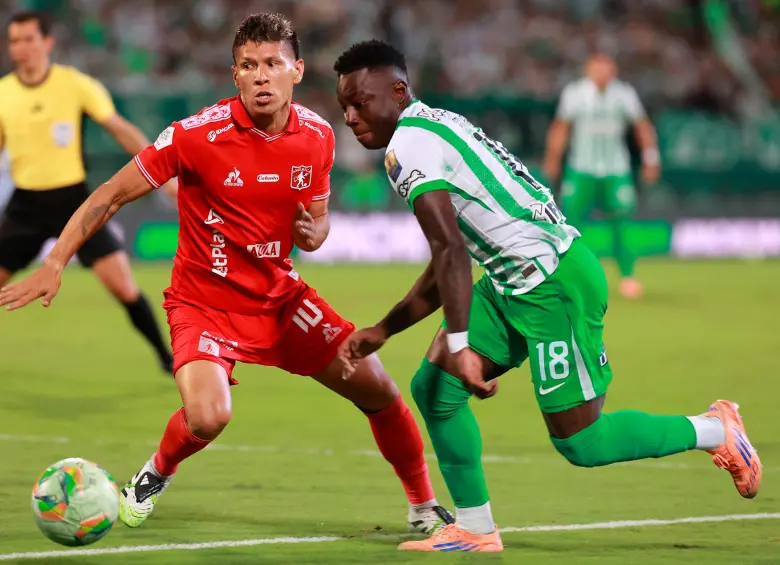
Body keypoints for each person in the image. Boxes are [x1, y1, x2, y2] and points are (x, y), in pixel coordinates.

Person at [0, 15, 454, 535]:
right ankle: (155, 473)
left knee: (379, 390)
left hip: (280, 300)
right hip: (204, 302)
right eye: (248, 66)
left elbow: (319, 221)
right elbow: (110, 195)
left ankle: (422, 505)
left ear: (297, 70)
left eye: (272, 64)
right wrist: (56, 260)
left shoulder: (318, 137)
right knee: (210, 416)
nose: (261, 76)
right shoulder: (195, 136)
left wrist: (315, 233)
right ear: (234, 75)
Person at [333, 40, 762, 553]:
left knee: (582, 441)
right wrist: (386, 329)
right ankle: (475, 527)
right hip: (513, 278)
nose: (351, 117)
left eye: (361, 102)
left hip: (553, 284)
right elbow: (452, 252)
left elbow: (450, 250)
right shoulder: (433, 125)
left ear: (398, 91)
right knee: (436, 390)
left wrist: (462, 340)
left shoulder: (410, 145)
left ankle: (715, 429)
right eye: (344, 107)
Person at [0, 11, 175, 373]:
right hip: (25, 206)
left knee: (124, 288)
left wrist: (163, 172)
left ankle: (166, 357)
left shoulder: (74, 84)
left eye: (28, 39)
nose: (20, 48)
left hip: (74, 203)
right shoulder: (3, 94)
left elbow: (119, 128)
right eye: (14, 40)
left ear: (47, 43)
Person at [543, 53, 660, 300]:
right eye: (597, 69)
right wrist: (553, 158)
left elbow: (642, 126)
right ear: (588, 70)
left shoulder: (624, 94)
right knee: (571, 225)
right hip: (581, 169)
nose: (602, 74)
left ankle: (628, 276)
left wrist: (650, 158)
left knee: (622, 223)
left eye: (607, 69)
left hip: (615, 170)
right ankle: (569, 277)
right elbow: (561, 127)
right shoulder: (575, 93)